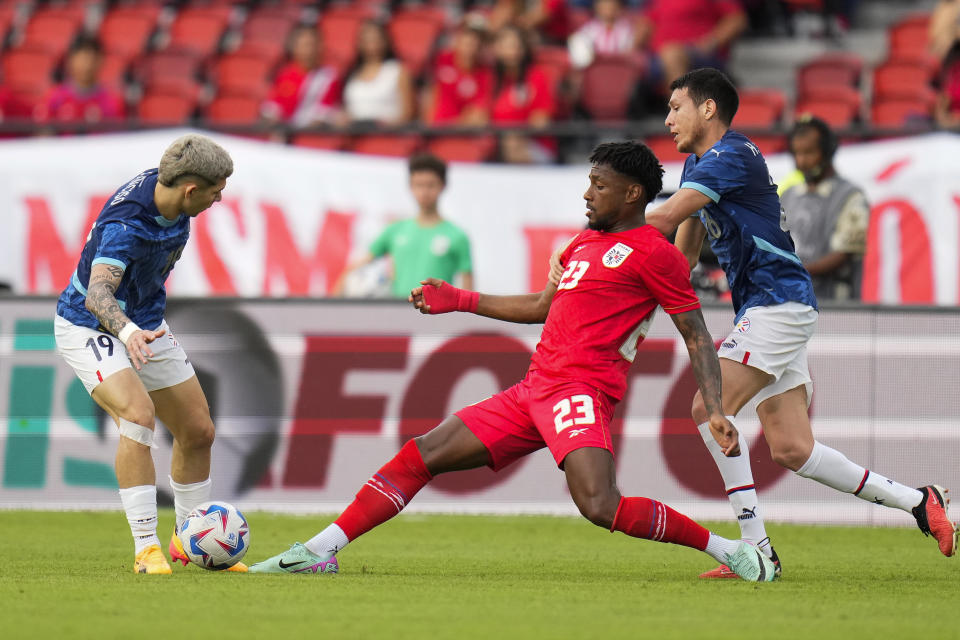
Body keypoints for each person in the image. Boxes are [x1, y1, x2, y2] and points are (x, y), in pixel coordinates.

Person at [249, 141, 777, 582]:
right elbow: (541, 307)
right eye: (588, 182)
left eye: (599, 184)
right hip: (532, 391)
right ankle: (321, 550)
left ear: (633, 193)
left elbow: (697, 335)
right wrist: (460, 299)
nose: (587, 193)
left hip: (579, 393)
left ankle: (727, 548)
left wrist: (715, 408)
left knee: (601, 506)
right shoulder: (581, 244)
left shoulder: (655, 253)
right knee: (422, 452)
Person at [636, 67, 954, 577]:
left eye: (676, 107)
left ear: (708, 109)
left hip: (776, 302)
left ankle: (756, 548)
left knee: (706, 406)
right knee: (791, 448)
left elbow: (666, 216)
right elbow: (684, 254)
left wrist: (599, 227)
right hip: (770, 306)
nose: (668, 118)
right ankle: (919, 501)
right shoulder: (700, 166)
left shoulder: (729, 155)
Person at [53, 134, 246, 575]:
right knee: (138, 418)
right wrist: (126, 330)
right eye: (216, 190)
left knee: (198, 430)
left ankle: (189, 542)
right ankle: (146, 548)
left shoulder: (170, 195)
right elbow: (98, 294)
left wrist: (141, 327)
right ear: (190, 190)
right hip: (90, 326)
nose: (221, 197)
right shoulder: (126, 228)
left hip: (147, 324)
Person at [334, 153, 473, 298]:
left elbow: (468, 291)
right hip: (400, 314)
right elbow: (355, 267)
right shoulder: (395, 230)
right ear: (410, 186)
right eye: (419, 185)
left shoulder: (457, 236)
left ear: (443, 186)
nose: (424, 192)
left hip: (437, 315)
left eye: (431, 185)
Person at [780, 116, 869, 301]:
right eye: (797, 153)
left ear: (827, 152)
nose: (801, 161)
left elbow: (844, 254)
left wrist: (792, 272)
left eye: (809, 152)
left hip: (834, 307)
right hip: (789, 306)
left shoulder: (851, 196)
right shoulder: (787, 195)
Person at [635, 0, 746, 92]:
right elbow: (646, 23)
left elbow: (736, 20)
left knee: (671, 54)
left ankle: (682, 114)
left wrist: (711, 42)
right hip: (658, 56)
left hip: (699, 54)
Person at [490, 25, 557, 164]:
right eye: (507, 46)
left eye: (516, 46)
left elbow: (541, 121)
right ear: (497, 49)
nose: (512, 51)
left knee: (512, 144)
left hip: (533, 146)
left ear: (523, 50)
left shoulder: (537, 77)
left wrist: (514, 135)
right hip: (496, 147)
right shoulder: (491, 79)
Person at [261, 25, 343, 127]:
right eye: (304, 45)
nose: (308, 50)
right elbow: (272, 107)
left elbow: (324, 112)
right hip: (284, 133)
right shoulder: (284, 75)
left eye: (312, 44)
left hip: (311, 135)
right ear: (294, 47)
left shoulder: (328, 76)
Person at [34, 36, 125, 125]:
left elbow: (117, 137)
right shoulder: (54, 98)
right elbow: (43, 134)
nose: (86, 64)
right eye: (81, 58)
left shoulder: (112, 102)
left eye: (91, 58)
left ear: (101, 60)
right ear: (70, 60)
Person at [342, 20, 414, 126]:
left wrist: (385, 125)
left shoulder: (397, 71)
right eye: (366, 39)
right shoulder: (351, 74)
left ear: (386, 41)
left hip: (386, 135)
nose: (371, 43)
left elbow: (408, 113)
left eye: (375, 38)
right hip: (355, 134)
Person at [425, 14, 493, 126]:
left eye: (475, 40)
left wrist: (450, 126)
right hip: (436, 132)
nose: (470, 45)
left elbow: (479, 116)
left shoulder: (485, 75)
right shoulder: (442, 59)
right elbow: (430, 94)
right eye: (466, 36)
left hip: (463, 135)